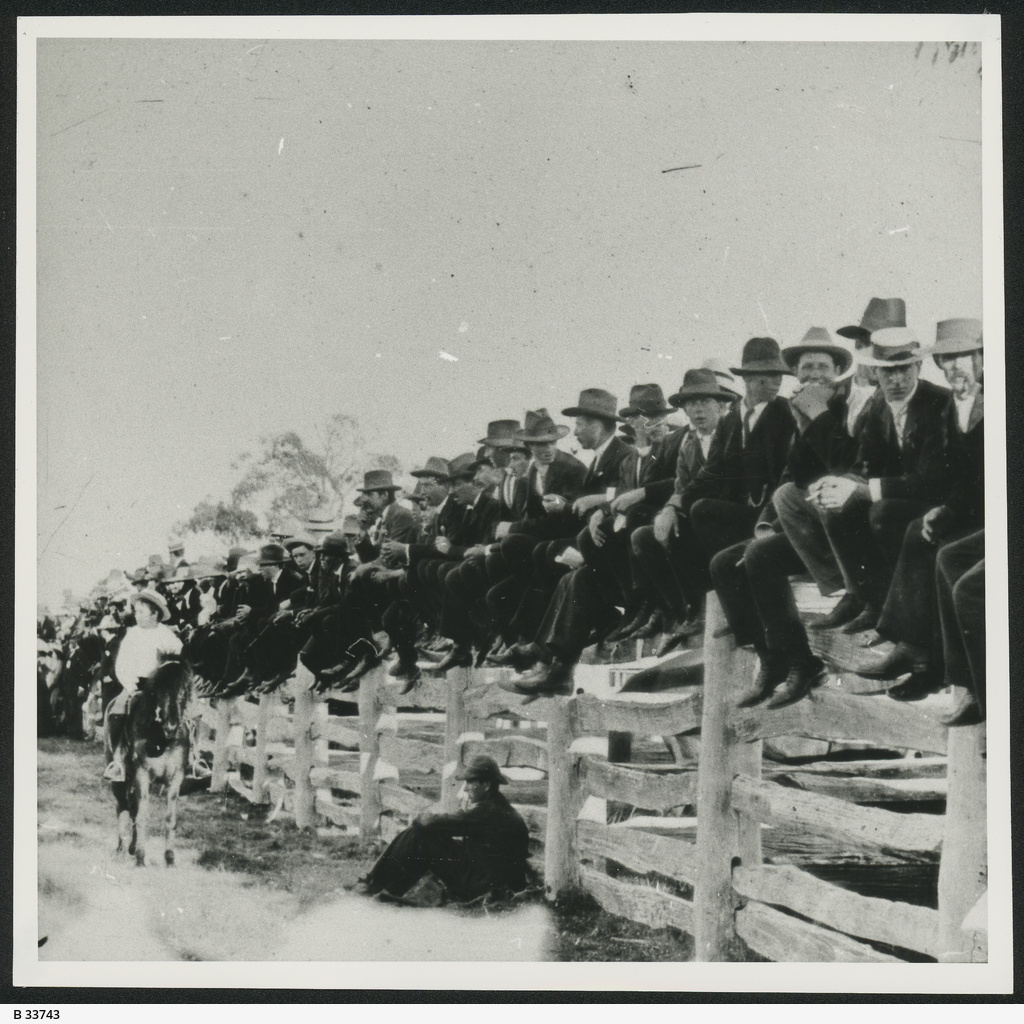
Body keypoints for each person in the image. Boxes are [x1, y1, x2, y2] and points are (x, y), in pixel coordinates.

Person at [356, 755, 530, 903]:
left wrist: (421, 818)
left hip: (483, 889)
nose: (466, 788)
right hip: (492, 880)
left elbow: (429, 824)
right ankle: (384, 890)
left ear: (486, 785)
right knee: (428, 837)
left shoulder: (487, 812)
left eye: (471, 782)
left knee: (421, 834)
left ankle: (373, 886)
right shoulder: (500, 808)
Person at [102, 590, 182, 782]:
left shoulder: (168, 637)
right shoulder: (132, 635)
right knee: (117, 712)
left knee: (188, 713)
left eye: (141, 612)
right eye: (135, 611)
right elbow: (121, 665)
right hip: (136, 685)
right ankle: (118, 760)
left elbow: (179, 662)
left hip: (162, 688)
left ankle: (193, 758)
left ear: (155, 614)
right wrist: (130, 687)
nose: (136, 616)